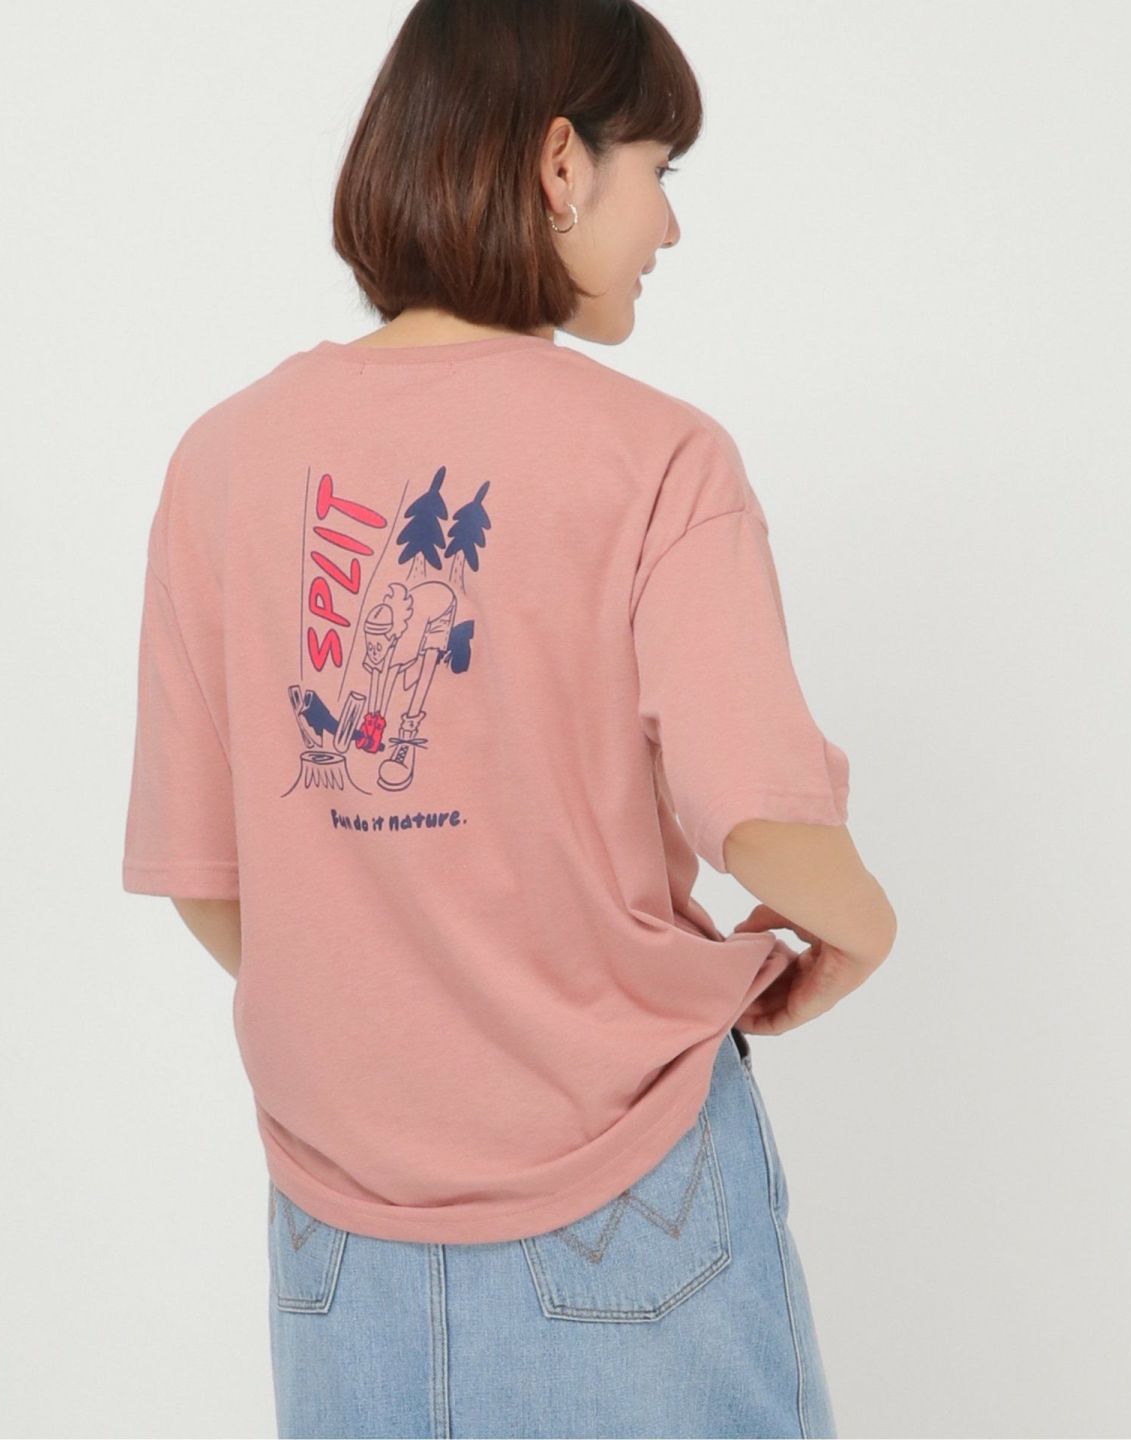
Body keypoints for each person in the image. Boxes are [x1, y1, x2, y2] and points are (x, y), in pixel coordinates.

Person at [121, 0, 897, 1435]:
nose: (670, 226)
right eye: (658, 168)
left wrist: (402, 998)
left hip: (337, 1232)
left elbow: (209, 880)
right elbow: (764, 817)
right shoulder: (660, 459)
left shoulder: (219, 463)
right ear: (560, 164)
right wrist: (862, 930)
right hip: (635, 1195)